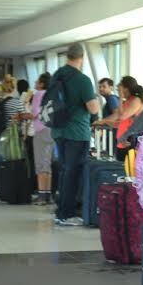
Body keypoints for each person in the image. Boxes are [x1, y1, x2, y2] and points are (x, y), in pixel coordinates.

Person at [51, 43, 101, 227]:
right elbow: (93, 108)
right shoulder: (82, 80)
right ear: (82, 57)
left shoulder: (57, 75)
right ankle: (67, 214)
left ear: (67, 56)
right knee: (73, 173)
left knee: (65, 171)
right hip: (77, 132)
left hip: (58, 130)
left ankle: (60, 211)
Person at [106, 76, 143, 154]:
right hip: (124, 141)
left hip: (132, 141)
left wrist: (120, 97)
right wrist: (104, 122)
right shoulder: (128, 101)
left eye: (120, 85)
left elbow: (121, 117)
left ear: (126, 88)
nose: (117, 88)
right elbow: (120, 120)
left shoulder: (136, 100)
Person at [30, 72, 54, 205]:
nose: (35, 83)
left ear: (42, 84)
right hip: (52, 130)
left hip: (41, 130)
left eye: (37, 81)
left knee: (40, 163)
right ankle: (48, 194)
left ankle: (41, 196)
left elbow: (34, 113)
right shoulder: (52, 94)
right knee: (47, 163)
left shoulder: (38, 94)